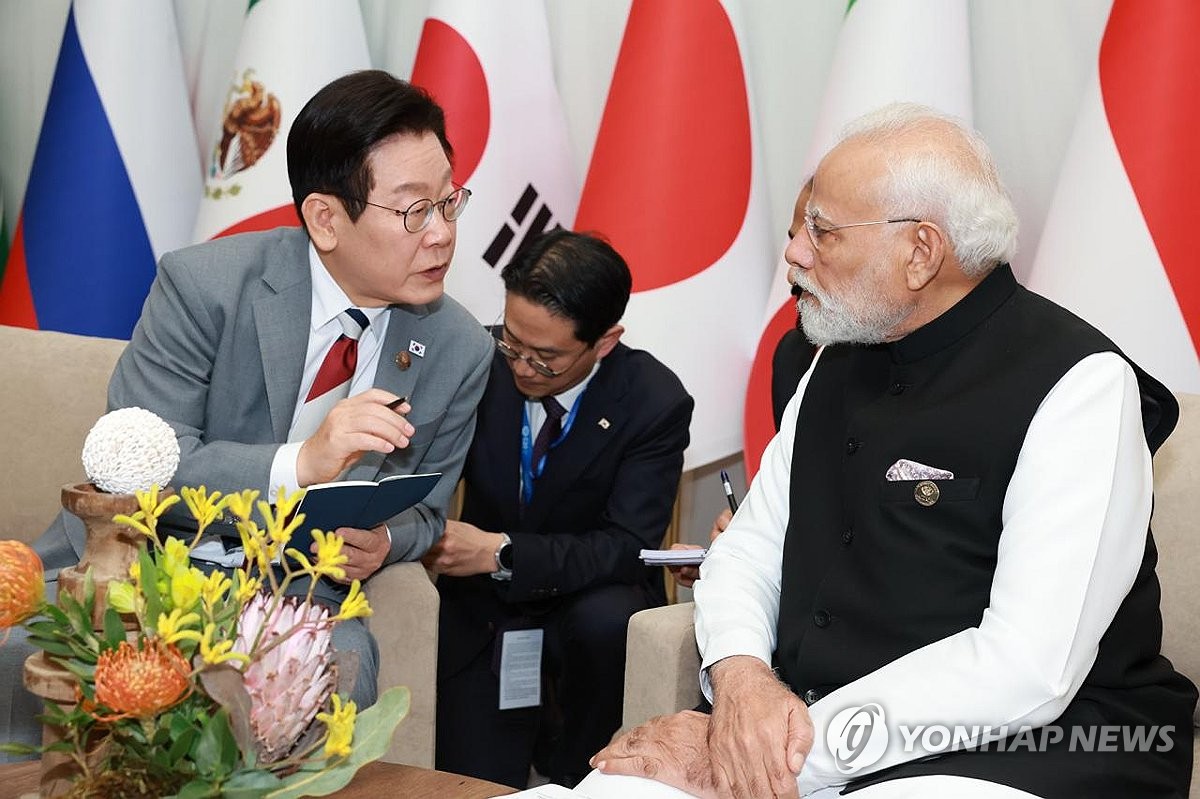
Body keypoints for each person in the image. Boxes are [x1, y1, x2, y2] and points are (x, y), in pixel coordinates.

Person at [589, 103, 1196, 798]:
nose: (795, 252)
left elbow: (1029, 668)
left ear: (920, 252)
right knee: (614, 790)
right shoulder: (835, 357)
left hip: (1040, 746)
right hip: (808, 728)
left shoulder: (1080, 385)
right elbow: (749, 549)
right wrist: (741, 680)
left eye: (822, 231)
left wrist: (780, 755)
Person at [11, 70, 494, 736]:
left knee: (339, 673)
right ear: (325, 219)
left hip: (296, 594)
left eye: (448, 202)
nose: (440, 234)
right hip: (142, 562)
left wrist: (386, 540)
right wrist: (304, 463)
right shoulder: (204, 285)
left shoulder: (459, 346)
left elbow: (429, 511)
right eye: (414, 211)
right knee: (25, 654)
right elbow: (139, 472)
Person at [423, 229, 694, 788]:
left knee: (605, 624)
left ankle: (578, 770)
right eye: (512, 342)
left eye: (546, 358)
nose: (522, 367)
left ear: (605, 342)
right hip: (488, 609)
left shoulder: (653, 400)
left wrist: (504, 553)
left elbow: (626, 546)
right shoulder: (476, 359)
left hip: (587, 610)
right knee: (472, 783)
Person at [670, 181, 816, 591]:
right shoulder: (795, 355)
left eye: (820, 238)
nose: (792, 259)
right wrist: (743, 539)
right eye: (793, 238)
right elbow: (793, 500)